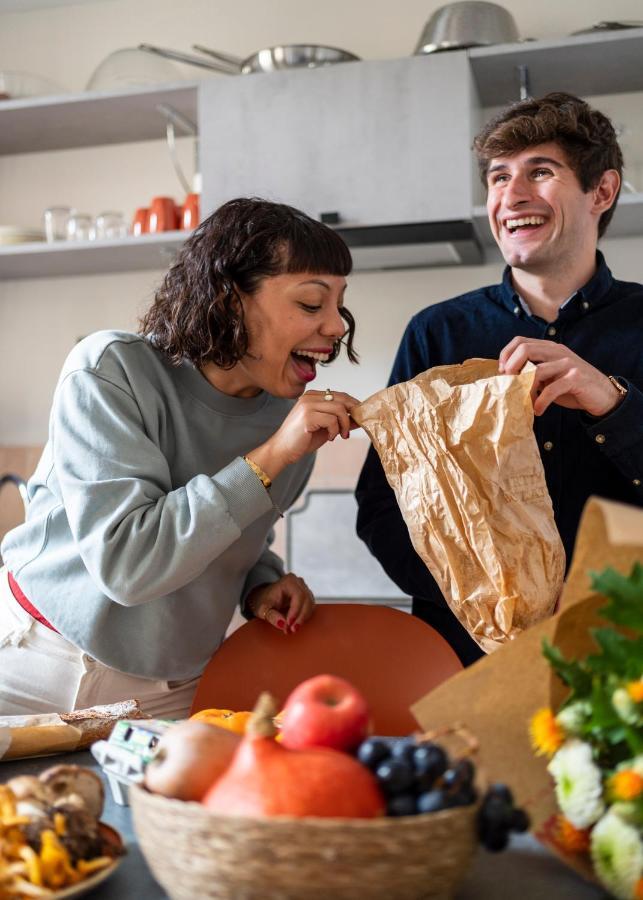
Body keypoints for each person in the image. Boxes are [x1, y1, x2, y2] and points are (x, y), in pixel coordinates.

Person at [0, 198, 359, 717]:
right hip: (31, 660)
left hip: (168, 691)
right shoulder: (111, 371)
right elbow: (128, 566)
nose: (336, 327)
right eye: (310, 304)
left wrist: (260, 583)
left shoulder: (289, 426)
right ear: (231, 300)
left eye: (338, 305)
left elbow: (241, 531)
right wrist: (271, 456)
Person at [356, 92, 643, 666]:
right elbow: (384, 507)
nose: (511, 196)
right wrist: (491, 601)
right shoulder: (436, 333)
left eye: (540, 172)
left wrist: (615, 405)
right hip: (468, 656)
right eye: (498, 177)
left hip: (623, 651)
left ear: (602, 192)